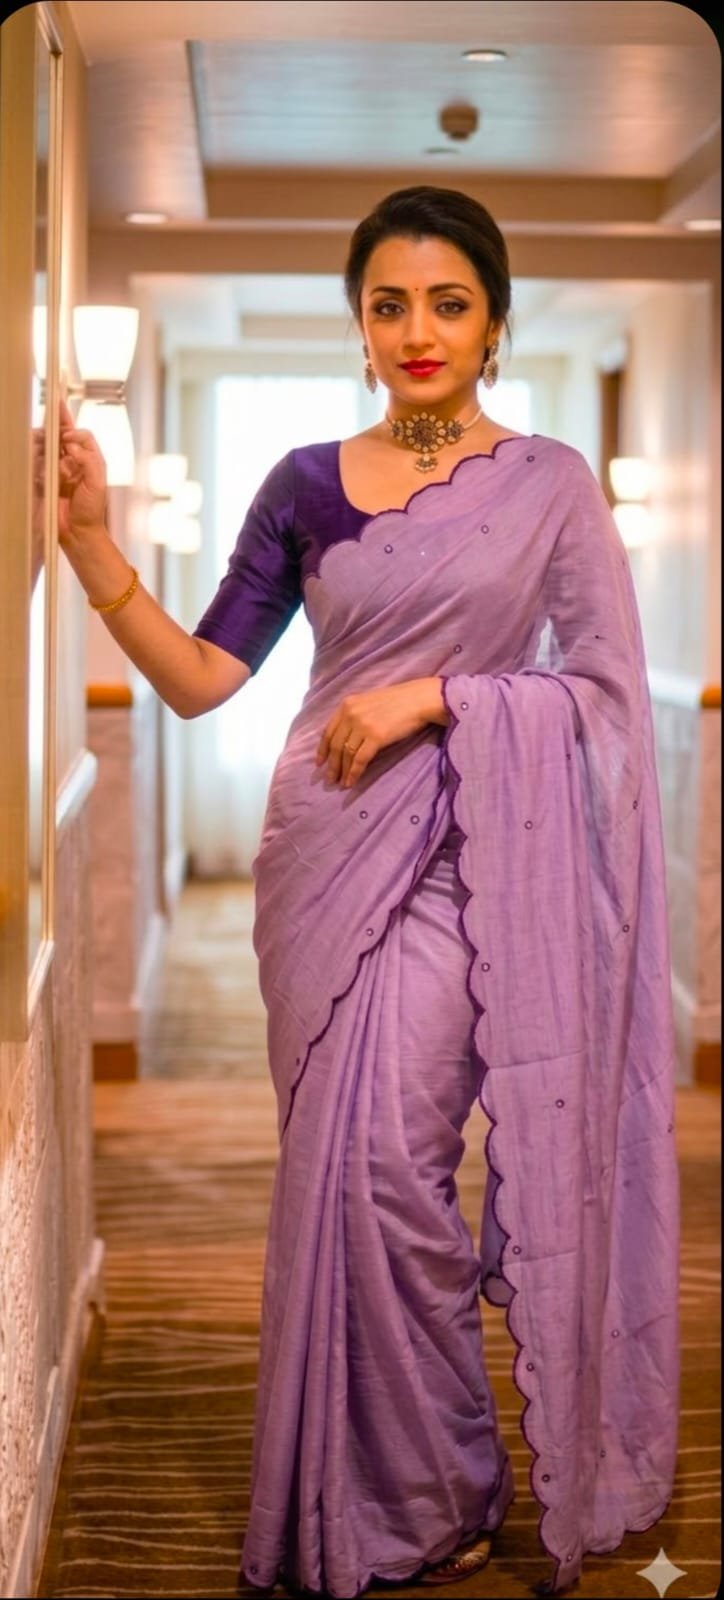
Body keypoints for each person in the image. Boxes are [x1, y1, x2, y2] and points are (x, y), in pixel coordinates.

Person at [57, 186, 680, 1599]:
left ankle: (437, 1479)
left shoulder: (550, 486)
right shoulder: (303, 484)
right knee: (334, 1174)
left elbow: (600, 702)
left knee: (394, 1165)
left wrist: (438, 696)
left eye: (448, 303)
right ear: (358, 321)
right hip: (323, 856)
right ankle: (392, 1489)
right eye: (389, 303)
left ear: (494, 323)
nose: (417, 331)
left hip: (470, 865)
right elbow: (202, 679)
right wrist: (93, 547)